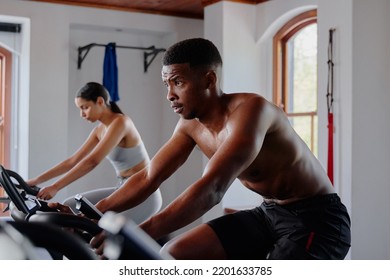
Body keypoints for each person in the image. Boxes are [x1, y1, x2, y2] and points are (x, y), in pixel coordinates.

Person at [90, 38, 351, 260]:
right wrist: (96, 212)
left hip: (318, 219)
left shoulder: (252, 111)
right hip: (269, 212)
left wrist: (137, 233)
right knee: (174, 253)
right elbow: (149, 178)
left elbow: (212, 189)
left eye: (178, 82)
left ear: (209, 80)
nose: (169, 94)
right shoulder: (189, 126)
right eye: (166, 84)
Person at [26, 82, 158, 217]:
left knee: (105, 234)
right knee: (70, 205)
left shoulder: (121, 122)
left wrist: (55, 187)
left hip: (144, 191)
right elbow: (73, 161)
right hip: (123, 187)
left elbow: (92, 161)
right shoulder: (99, 131)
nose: (82, 114)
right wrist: (36, 181)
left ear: (100, 101)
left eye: (85, 107)